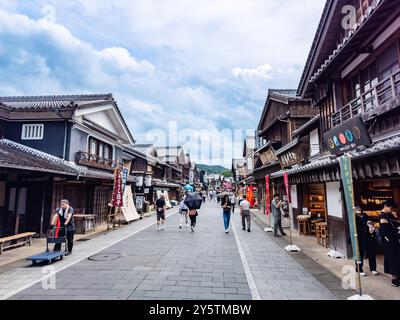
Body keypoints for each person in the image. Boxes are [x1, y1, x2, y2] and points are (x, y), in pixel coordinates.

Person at [379, 199, 400, 287]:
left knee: (397, 259)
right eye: (391, 208)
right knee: (392, 260)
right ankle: (394, 280)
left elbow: (396, 225)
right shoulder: (382, 216)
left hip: (395, 240)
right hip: (389, 241)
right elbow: (385, 231)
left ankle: (397, 278)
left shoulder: (389, 215)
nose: (392, 210)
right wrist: (397, 233)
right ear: (385, 206)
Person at [354, 205, 378, 276]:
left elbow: (371, 223)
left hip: (369, 236)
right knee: (360, 254)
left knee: (372, 253)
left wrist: (372, 226)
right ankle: (359, 269)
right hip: (359, 237)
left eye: (359, 208)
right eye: (356, 209)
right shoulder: (354, 218)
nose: (358, 210)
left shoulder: (366, 216)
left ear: (361, 209)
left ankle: (373, 268)